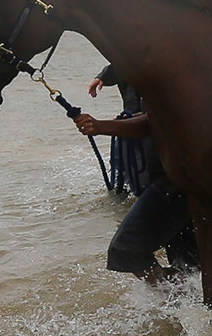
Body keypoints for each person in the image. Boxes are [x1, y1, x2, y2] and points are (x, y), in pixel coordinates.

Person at [75, 65, 199, 283]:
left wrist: (103, 126)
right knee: (186, 255)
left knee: (124, 250)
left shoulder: (166, 62)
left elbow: (157, 120)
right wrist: (103, 76)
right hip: (167, 167)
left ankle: (174, 295)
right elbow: (122, 59)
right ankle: (189, 299)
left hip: (175, 173)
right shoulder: (145, 53)